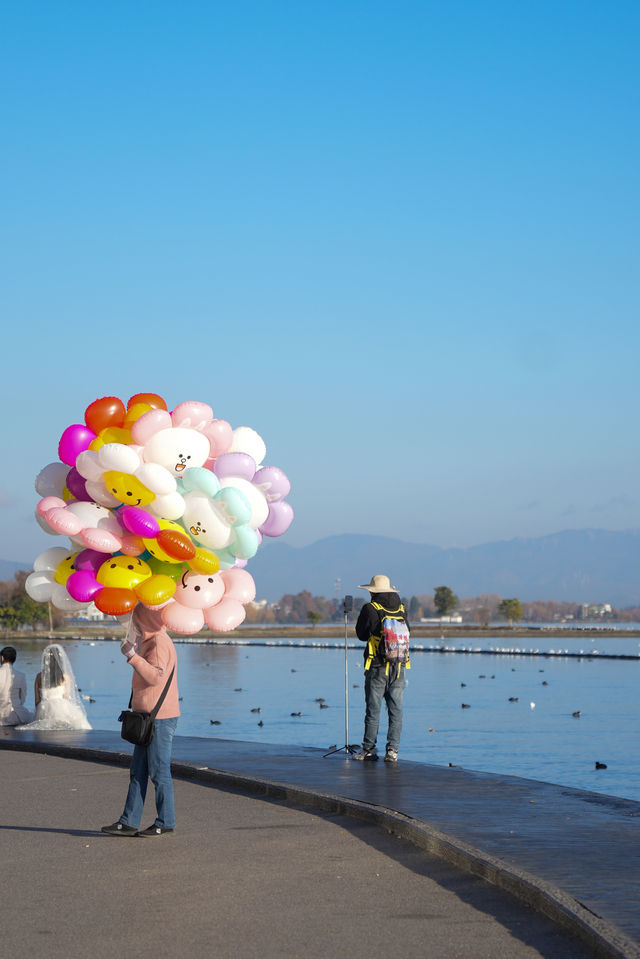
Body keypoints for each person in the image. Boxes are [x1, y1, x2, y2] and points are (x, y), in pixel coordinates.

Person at [102, 605, 180, 838]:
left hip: (160, 718)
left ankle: (165, 821)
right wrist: (136, 652)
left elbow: (156, 676)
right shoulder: (150, 641)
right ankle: (128, 821)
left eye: (135, 621)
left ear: (145, 620)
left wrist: (132, 656)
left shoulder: (158, 642)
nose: (132, 626)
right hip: (148, 717)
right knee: (138, 771)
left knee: (158, 771)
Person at [353, 574, 410, 763]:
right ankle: (392, 751)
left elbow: (361, 635)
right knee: (396, 710)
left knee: (373, 710)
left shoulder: (370, 608)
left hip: (377, 666)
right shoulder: (401, 609)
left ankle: (369, 749)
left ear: (372, 591)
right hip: (399, 666)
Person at [17, 644, 91, 730]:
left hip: (44, 709)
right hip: (61, 708)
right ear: (60, 660)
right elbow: (66, 697)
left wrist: (38, 714)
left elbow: (37, 700)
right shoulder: (65, 677)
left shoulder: (39, 677)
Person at [0, 646, 34, 726]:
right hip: (15, 715)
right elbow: (22, 698)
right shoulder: (21, 675)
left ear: (2, 658)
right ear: (14, 659)